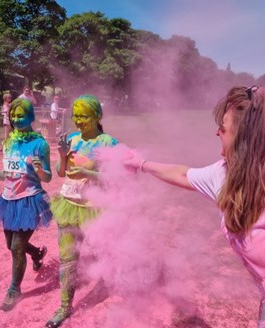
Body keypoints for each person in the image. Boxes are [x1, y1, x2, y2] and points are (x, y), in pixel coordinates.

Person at [125, 86, 265, 328]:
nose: (216, 133)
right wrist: (141, 164)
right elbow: (182, 174)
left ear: (245, 137)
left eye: (222, 128)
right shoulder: (225, 174)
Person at [45, 95, 118, 328]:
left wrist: (89, 174)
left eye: (83, 116)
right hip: (68, 206)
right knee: (67, 259)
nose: (77, 121)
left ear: (97, 116)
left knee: (103, 252)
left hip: (94, 209)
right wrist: (62, 153)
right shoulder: (72, 139)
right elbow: (60, 172)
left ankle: (115, 281)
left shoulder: (109, 143)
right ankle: (65, 306)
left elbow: (116, 179)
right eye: (75, 116)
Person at [0, 98, 52, 312]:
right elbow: (8, 175)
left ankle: (14, 289)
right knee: (11, 245)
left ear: (31, 117)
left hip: (30, 200)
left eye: (21, 115)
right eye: (14, 115)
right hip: (8, 200)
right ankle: (36, 253)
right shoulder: (8, 142)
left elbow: (48, 178)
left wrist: (38, 169)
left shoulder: (40, 144)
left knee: (16, 248)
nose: (17, 119)